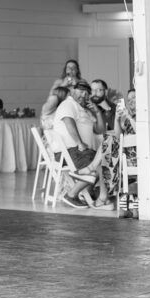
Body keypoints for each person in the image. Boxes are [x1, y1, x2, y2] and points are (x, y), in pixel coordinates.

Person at [52, 81, 108, 209]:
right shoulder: (68, 104)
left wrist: (98, 113)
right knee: (101, 163)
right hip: (71, 151)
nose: (84, 94)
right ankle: (71, 194)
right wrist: (80, 143)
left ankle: (88, 190)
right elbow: (68, 122)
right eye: (80, 91)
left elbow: (100, 130)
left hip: (80, 152)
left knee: (106, 159)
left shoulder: (84, 110)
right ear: (72, 91)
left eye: (86, 93)